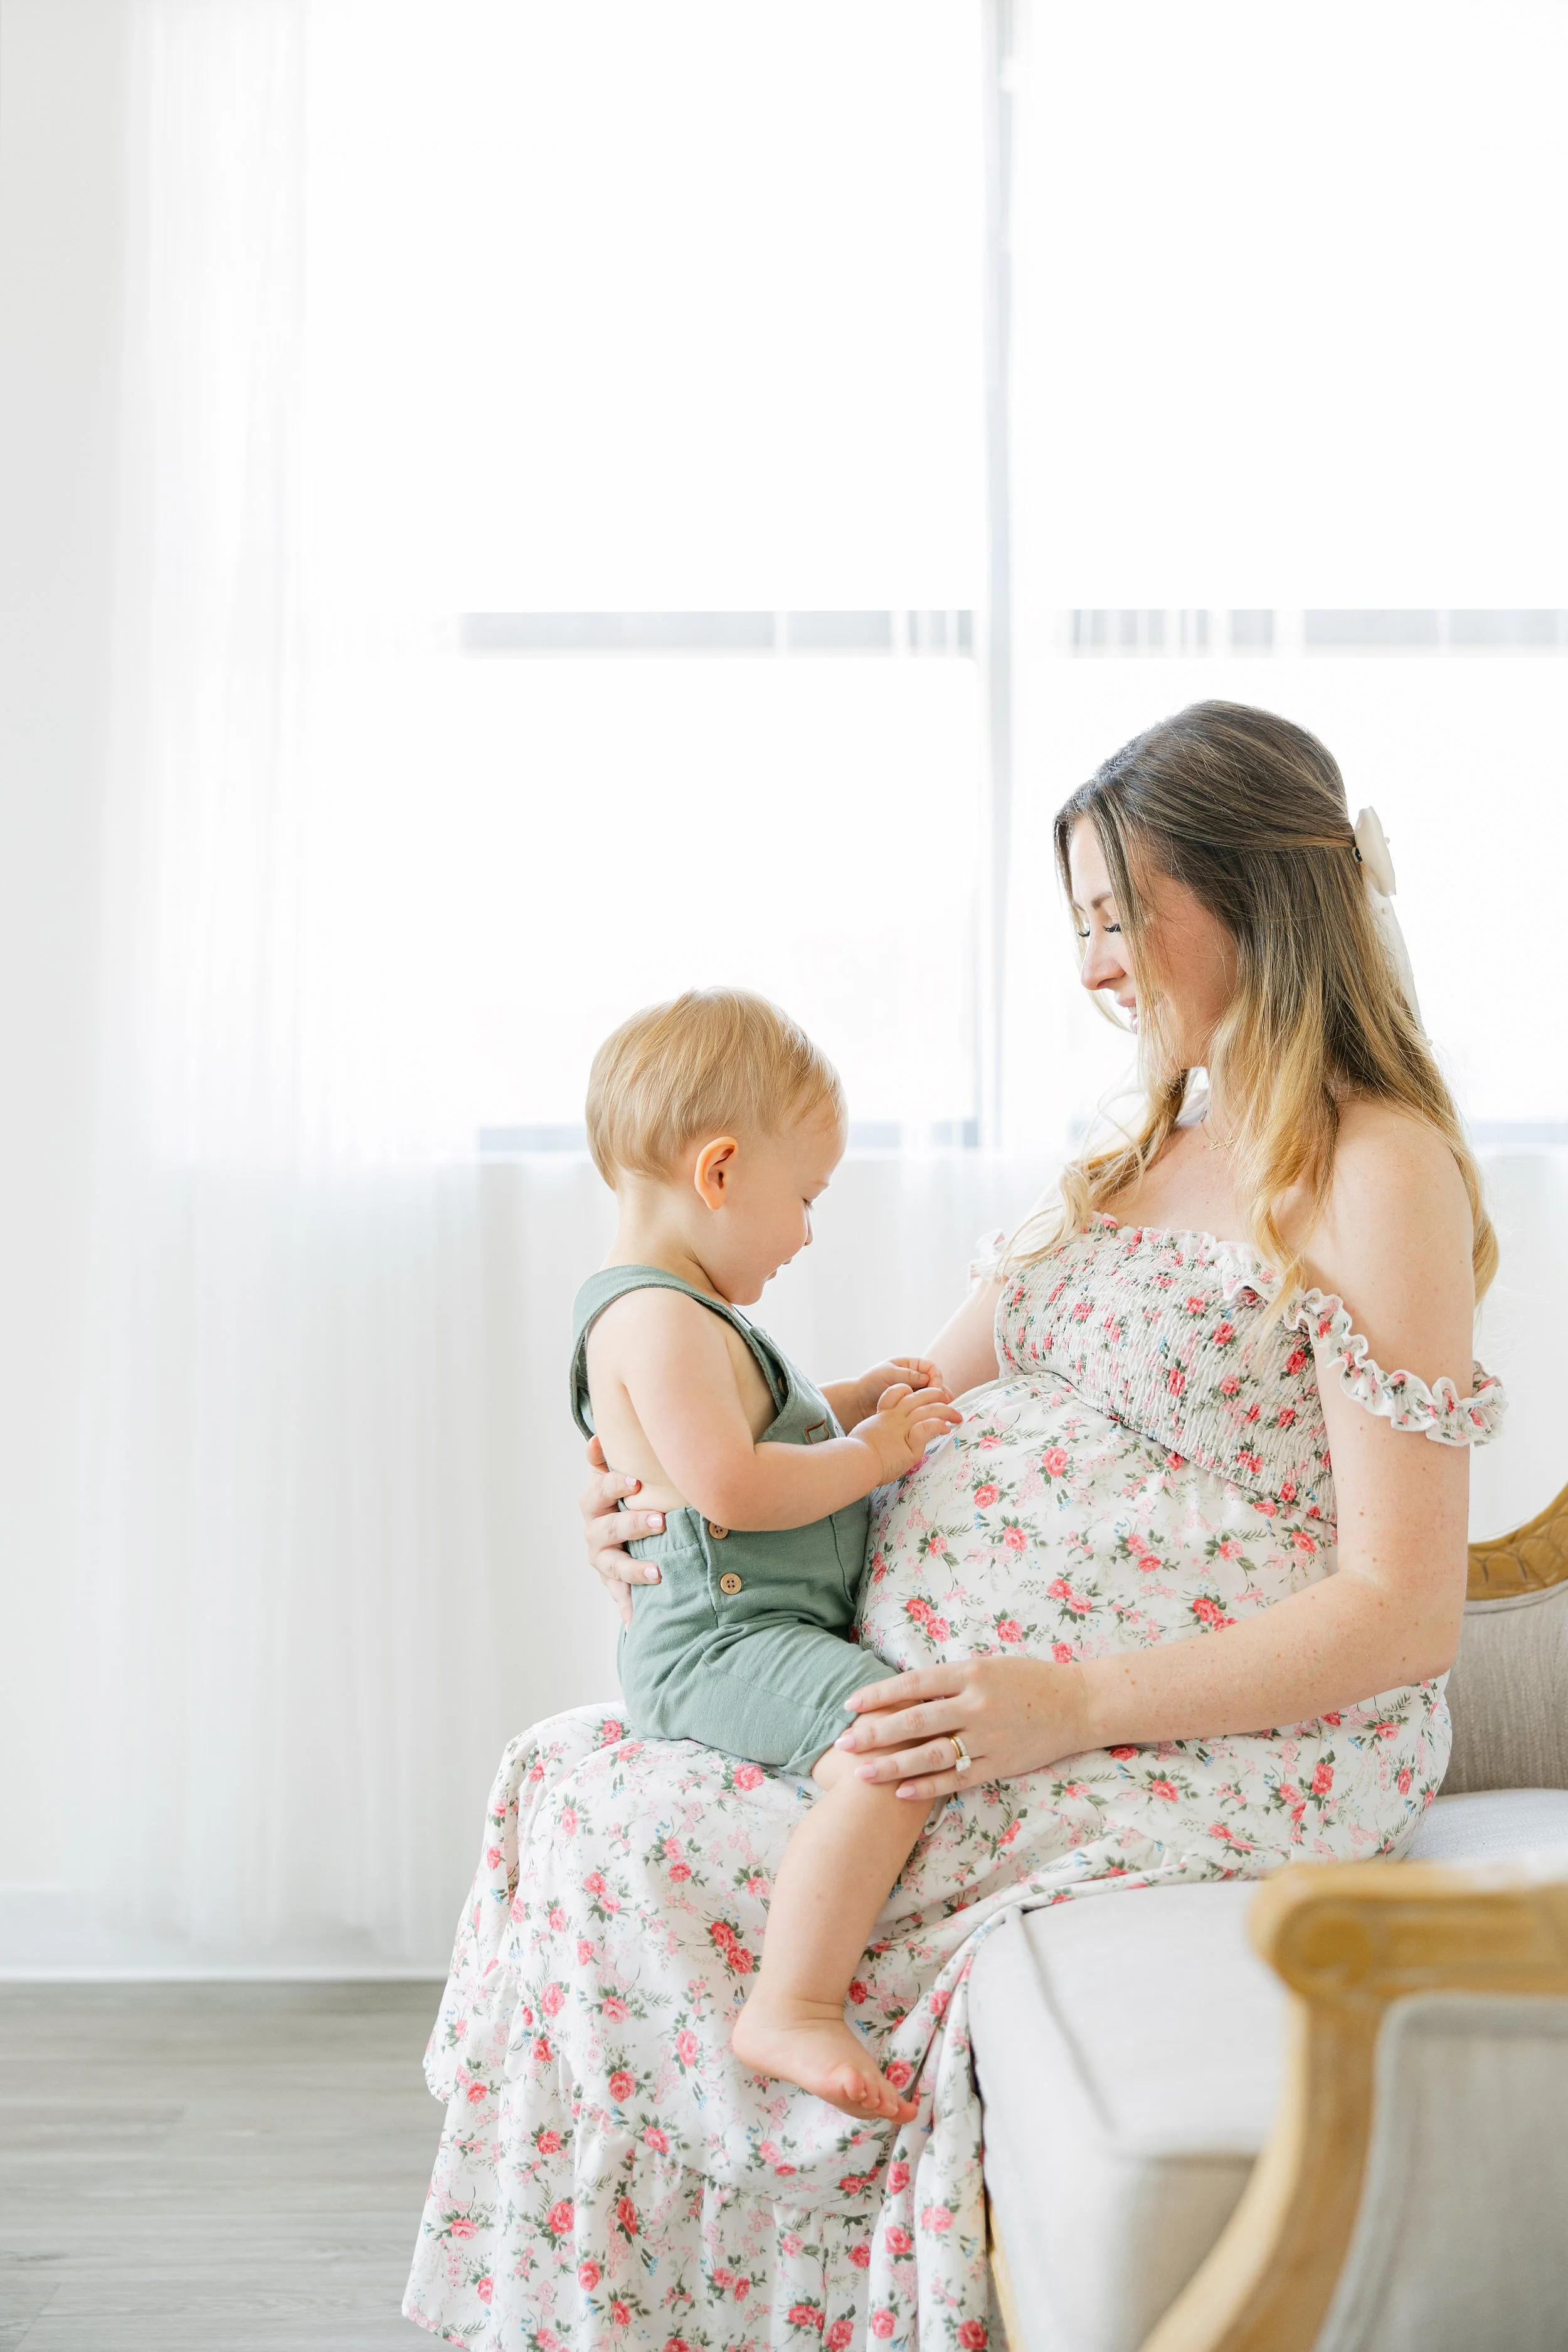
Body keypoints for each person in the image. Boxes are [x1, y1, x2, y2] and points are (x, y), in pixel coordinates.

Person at [406, 701, 1506, 2352]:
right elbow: (900, 1398)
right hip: (946, 1682)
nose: (1090, 966)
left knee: (657, 1839)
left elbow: (1401, 1608)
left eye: (1114, 915)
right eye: (1076, 923)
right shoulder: (1130, 1154)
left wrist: (1064, 1701)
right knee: (572, 1775)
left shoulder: (1374, 1159)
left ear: (1253, 895)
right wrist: (664, 1471)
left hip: (1205, 1727)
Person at [571, 989, 960, 2121]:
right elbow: (735, 1485)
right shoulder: (658, 1320)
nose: (806, 1231)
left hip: (757, 1631)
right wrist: (878, 1452)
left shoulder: (687, 1315)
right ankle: (790, 2001)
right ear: (722, 1170)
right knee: (894, 1742)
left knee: (896, 1729)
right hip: (723, 1645)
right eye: (806, 1197)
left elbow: (758, 1427)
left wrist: (850, 1398)